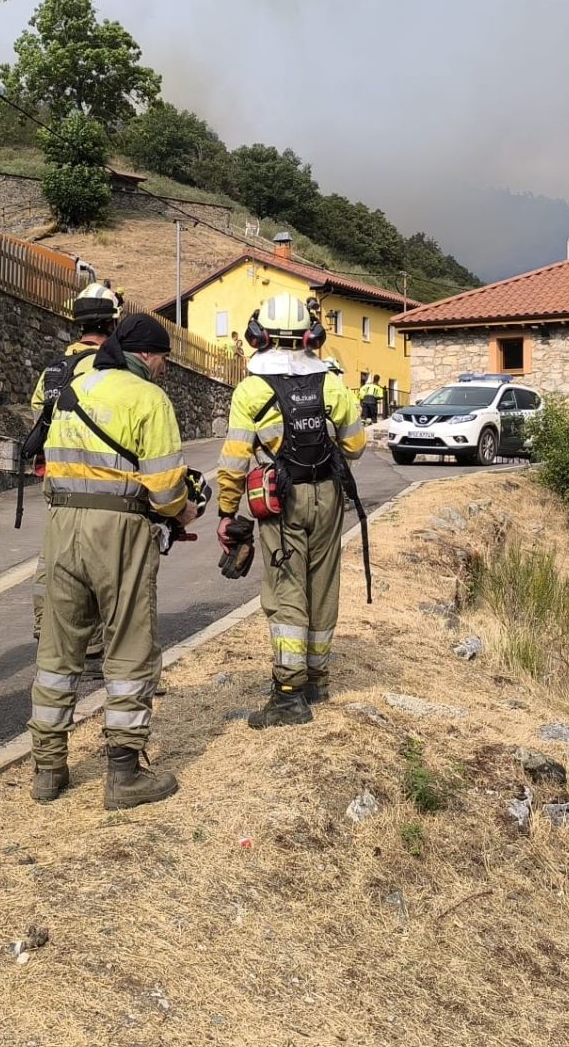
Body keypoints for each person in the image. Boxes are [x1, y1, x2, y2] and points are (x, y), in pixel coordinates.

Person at [28, 312, 194, 810]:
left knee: (58, 652)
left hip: (61, 526)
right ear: (147, 355)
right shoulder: (148, 399)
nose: (164, 367)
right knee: (128, 647)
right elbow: (165, 492)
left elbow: (48, 469)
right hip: (119, 529)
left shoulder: (72, 388)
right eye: (164, 357)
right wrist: (185, 507)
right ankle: (123, 775)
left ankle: (48, 769)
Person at [217, 295, 367, 727]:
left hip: (280, 502)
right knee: (322, 585)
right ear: (311, 336)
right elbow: (355, 446)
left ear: (257, 336)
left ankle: (287, 694)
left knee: (286, 591)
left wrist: (228, 512)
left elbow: (233, 460)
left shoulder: (250, 390)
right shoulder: (331, 383)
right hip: (328, 495)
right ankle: (317, 679)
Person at [28, 283, 123, 665]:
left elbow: (38, 413)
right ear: (112, 324)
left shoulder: (55, 366)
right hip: (100, 477)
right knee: (99, 561)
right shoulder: (109, 367)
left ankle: (45, 624)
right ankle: (96, 644)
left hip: (57, 476)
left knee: (54, 554)